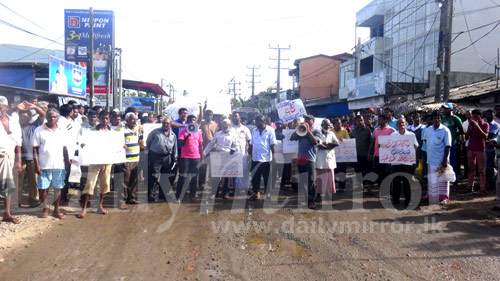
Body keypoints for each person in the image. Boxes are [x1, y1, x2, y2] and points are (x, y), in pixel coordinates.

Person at [33, 108, 69, 219]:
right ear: (46, 117)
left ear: (57, 118)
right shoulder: (39, 130)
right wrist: (37, 164)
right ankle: (45, 209)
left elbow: (65, 148)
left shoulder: (62, 130)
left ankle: (56, 210)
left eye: (54, 117)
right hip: (44, 164)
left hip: (59, 164)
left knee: (58, 187)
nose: (52, 119)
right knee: (43, 188)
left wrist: (67, 162)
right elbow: (35, 149)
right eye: (50, 117)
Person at [77, 111, 114, 218]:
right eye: (103, 118)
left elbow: (115, 144)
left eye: (107, 118)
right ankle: (84, 208)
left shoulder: (112, 132)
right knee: (90, 184)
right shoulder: (91, 131)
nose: (105, 120)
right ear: (99, 118)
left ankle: (100, 206)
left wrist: (121, 146)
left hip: (107, 161)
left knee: (105, 184)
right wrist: (84, 145)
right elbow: (83, 143)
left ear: (109, 119)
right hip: (94, 161)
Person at [290, 114, 321, 209]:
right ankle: (306, 200)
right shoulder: (301, 130)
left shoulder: (316, 131)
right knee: (303, 180)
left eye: (308, 119)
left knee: (311, 181)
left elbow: (315, 141)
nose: (306, 121)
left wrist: (308, 131)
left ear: (313, 121)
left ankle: (312, 201)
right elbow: (292, 138)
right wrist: (298, 129)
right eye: (305, 119)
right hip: (300, 159)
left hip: (310, 159)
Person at [18, 101, 45, 208]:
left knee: (33, 181)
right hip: (19, 159)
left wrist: (34, 107)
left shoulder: (34, 126)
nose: (22, 118)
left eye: (24, 117)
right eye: (21, 117)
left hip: (33, 158)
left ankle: (34, 200)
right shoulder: (15, 126)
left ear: (29, 118)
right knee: (18, 182)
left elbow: (43, 115)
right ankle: (17, 201)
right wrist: (17, 107)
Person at [203, 118, 238, 199]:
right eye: (223, 123)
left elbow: (236, 146)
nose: (224, 125)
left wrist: (233, 150)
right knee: (216, 176)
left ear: (229, 125)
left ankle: (225, 193)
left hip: (228, 155)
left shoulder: (233, 134)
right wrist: (204, 153)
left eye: (225, 124)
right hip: (218, 154)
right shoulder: (218, 134)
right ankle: (214, 193)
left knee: (227, 176)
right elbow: (211, 144)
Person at [0, 96, 21, 224]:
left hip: (10, 155)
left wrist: (19, 160)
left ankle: (7, 213)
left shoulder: (13, 121)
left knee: (8, 185)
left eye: (1, 107)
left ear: (7, 108)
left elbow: (19, 141)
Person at [146, 116, 178, 202]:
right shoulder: (155, 132)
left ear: (170, 124)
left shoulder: (173, 135)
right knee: (154, 176)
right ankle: (151, 194)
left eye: (168, 123)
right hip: (155, 157)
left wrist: (175, 157)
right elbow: (148, 142)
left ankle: (162, 194)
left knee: (165, 177)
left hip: (168, 158)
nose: (166, 125)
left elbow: (175, 147)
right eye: (164, 123)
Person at [424, 111, 452, 204]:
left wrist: (445, 160)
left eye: (438, 118)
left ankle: (443, 198)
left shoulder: (445, 130)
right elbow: (425, 141)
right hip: (431, 159)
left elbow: (448, 145)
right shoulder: (428, 130)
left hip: (441, 160)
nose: (436, 120)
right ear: (432, 119)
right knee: (432, 179)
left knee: (442, 180)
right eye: (435, 118)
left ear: (441, 119)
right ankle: (431, 196)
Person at [390, 117, 419, 205]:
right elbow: (389, 148)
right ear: (396, 125)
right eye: (399, 123)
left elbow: (416, 146)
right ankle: (396, 200)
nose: (401, 124)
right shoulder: (393, 135)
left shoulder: (411, 135)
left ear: (406, 124)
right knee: (396, 181)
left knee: (407, 181)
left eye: (403, 123)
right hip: (396, 162)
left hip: (407, 162)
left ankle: (407, 200)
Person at [176, 115, 203, 203]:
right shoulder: (182, 131)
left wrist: (202, 157)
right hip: (185, 157)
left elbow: (200, 145)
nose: (192, 121)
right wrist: (188, 135)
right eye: (190, 120)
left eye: (193, 120)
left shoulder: (198, 132)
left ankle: (193, 196)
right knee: (182, 177)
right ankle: (179, 197)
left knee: (194, 177)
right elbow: (181, 144)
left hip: (196, 157)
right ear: (188, 121)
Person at [248, 115, 276, 200]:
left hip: (266, 159)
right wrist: (249, 155)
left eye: (257, 122)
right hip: (255, 158)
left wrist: (274, 157)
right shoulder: (254, 131)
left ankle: (268, 194)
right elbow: (251, 144)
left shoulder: (270, 130)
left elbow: (272, 145)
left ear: (262, 122)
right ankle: (256, 193)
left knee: (267, 177)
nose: (255, 124)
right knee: (255, 177)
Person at [464, 109, 489, 196]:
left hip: (480, 149)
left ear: (480, 116)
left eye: (476, 117)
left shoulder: (485, 124)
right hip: (471, 148)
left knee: (481, 170)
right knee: (471, 169)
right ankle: (470, 187)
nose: (475, 118)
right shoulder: (470, 125)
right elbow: (466, 138)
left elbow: (485, 137)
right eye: (473, 117)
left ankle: (482, 188)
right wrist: (469, 129)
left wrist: (477, 126)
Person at [118, 112, 140, 207]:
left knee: (134, 180)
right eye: (132, 119)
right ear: (127, 120)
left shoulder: (137, 130)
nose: (135, 121)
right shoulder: (121, 130)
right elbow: (116, 142)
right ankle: (121, 201)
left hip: (136, 159)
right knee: (124, 181)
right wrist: (121, 145)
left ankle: (131, 198)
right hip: (126, 160)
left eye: (135, 119)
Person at [368, 115, 395, 190]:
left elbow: (396, 142)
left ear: (386, 120)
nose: (379, 121)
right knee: (378, 172)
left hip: (387, 156)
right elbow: (372, 142)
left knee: (387, 172)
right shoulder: (376, 130)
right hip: (377, 155)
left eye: (381, 120)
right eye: (378, 120)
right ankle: (381, 188)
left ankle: (388, 188)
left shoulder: (391, 130)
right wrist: (369, 153)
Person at [441, 103, 464, 187]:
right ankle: (444, 180)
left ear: (450, 109)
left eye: (446, 108)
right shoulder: (442, 119)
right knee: (442, 162)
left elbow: (461, 131)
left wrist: (453, 136)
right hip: (442, 144)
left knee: (453, 162)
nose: (444, 110)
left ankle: (455, 181)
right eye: (443, 108)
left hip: (452, 144)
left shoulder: (455, 119)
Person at [315, 119, 339, 202]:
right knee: (320, 179)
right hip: (320, 158)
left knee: (330, 178)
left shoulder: (331, 133)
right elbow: (319, 145)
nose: (327, 127)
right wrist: (329, 146)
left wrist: (327, 144)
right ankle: (318, 195)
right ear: (322, 125)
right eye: (325, 125)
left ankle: (330, 194)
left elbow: (337, 143)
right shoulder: (318, 133)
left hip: (330, 159)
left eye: (328, 125)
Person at [350, 115, 373, 194]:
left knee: (368, 171)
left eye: (361, 120)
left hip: (366, 154)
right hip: (356, 155)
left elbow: (371, 143)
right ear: (355, 122)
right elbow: (349, 142)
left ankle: (369, 188)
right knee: (358, 172)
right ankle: (361, 186)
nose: (360, 122)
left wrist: (370, 153)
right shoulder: (353, 131)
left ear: (363, 120)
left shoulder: (368, 130)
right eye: (358, 121)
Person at [231, 112, 251, 193]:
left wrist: (250, 154)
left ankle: (246, 188)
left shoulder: (245, 129)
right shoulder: (230, 128)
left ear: (240, 118)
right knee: (234, 173)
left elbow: (250, 141)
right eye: (233, 117)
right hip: (233, 154)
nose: (234, 118)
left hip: (243, 154)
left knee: (245, 172)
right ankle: (235, 189)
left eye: (236, 116)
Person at [199, 108, 218, 189]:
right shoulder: (201, 124)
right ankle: (201, 183)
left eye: (210, 115)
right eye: (207, 115)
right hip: (203, 148)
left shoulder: (215, 125)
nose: (209, 117)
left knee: (213, 166)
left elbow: (217, 136)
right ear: (205, 116)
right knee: (203, 166)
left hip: (213, 148)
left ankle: (211, 182)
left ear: (212, 116)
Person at [332, 118, 350, 192]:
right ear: (334, 125)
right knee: (334, 171)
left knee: (342, 170)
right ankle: (334, 186)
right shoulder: (331, 131)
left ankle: (342, 187)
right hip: (333, 155)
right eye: (337, 123)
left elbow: (348, 141)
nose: (339, 125)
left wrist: (344, 140)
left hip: (342, 155)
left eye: (340, 123)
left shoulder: (344, 131)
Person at [483, 109, 500, 183]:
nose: (489, 116)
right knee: (482, 166)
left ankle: (490, 182)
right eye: (488, 114)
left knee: (490, 166)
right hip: (482, 147)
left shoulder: (496, 125)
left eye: (491, 114)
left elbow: (489, 136)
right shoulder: (483, 122)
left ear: (494, 115)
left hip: (490, 147)